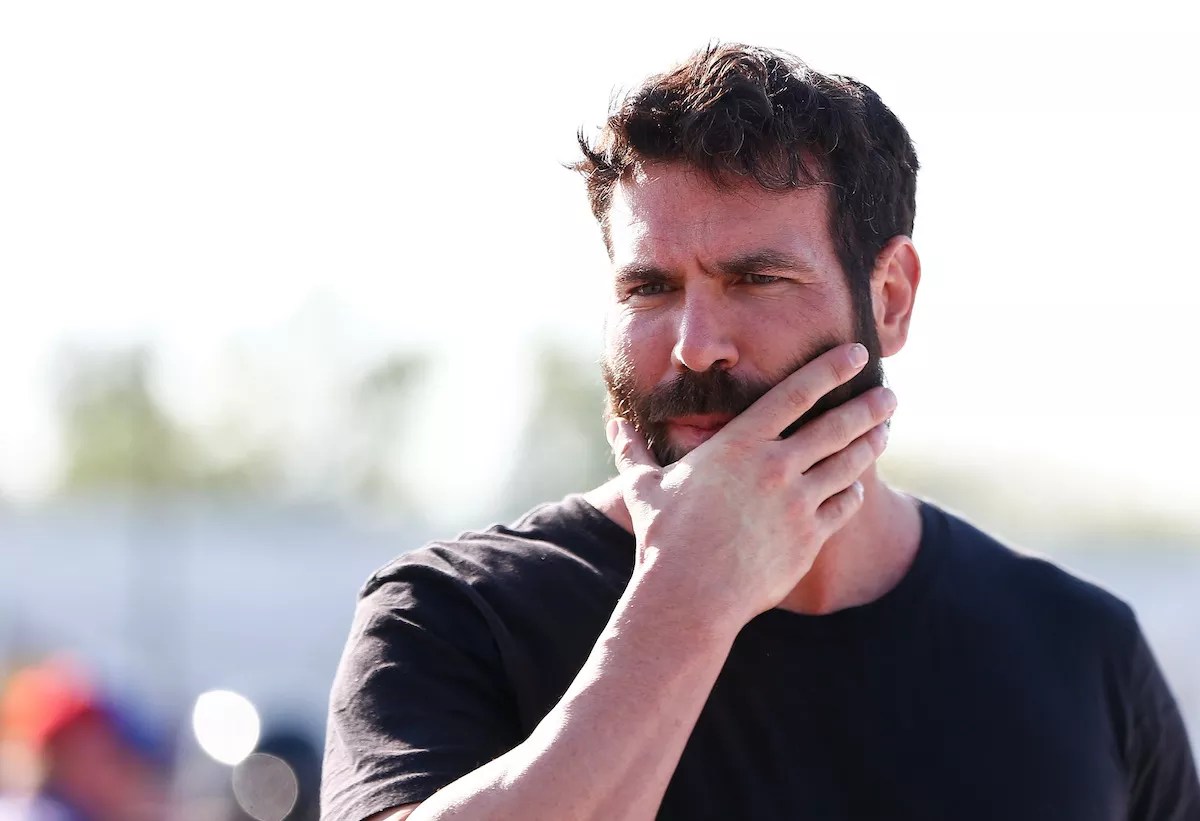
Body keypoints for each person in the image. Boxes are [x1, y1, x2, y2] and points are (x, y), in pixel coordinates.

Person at [319, 43, 1200, 820]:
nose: (695, 345)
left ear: (890, 298)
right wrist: (689, 600)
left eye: (756, 279)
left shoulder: (1078, 650)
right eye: (650, 288)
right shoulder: (454, 614)